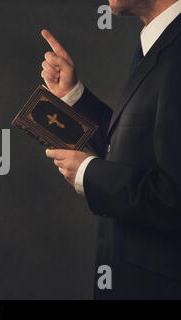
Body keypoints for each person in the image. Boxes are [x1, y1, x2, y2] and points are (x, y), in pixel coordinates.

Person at [41, 0, 181, 299]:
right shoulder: (162, 39)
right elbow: (138, 146)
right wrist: (75, 95)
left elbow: (175, 196)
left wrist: (90, 174)